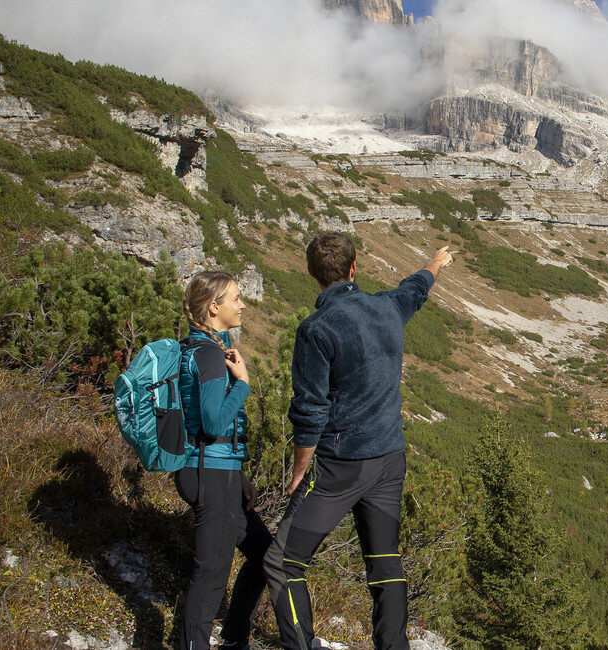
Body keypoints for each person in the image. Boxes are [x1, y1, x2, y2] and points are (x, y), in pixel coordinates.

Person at [264, 233, 453, 650]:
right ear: (354, 268)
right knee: (385, 564)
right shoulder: (387, 308)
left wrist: (300, 472)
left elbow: (309, 408)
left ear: (313, 274)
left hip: (342, 465)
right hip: (389, 458)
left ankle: (300, 644)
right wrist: (435, 263)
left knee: (283, 562)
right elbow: (414, 289)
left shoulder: (316, 329)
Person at [176, 271, 272, 650]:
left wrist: (239, 474)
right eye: (235, 298)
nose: (243, 304)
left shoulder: (206, 348)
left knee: (264, 553)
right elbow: (215, 421)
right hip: (208, 472)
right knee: (211, 576)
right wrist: (244, 385)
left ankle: (233, 639)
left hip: (220, 471)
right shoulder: (209, 355)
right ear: (214, 308)